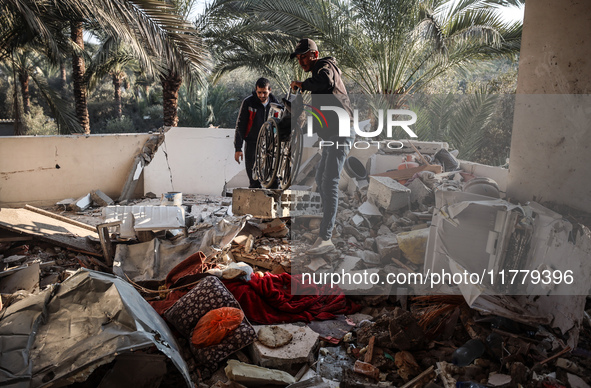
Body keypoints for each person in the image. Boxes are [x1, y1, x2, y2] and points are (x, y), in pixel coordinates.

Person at [290, 38, 354, 255]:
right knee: (320, 178)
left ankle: (326, 238)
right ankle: (327, 226)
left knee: (330, 182)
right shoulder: (317, 75)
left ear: (314, 55)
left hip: (342, 132)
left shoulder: (324, 67)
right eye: (298, 58)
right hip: (330, 134)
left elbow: (324, 82)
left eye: (304, 56)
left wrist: (302, 84)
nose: (301, 61)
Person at [234, 78, 279, 188]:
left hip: (269, 143)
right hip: (252, 142)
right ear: (256, 90)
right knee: (253, 175)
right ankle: (255, 196)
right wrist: (238, 148)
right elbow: (240, 125)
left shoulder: (275, 104)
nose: (262, 95)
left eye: (265, 92)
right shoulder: (248, 102)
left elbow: (278, 124)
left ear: (270, 90)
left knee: (273, 175)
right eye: (259, 92)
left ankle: (273, 198)